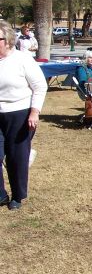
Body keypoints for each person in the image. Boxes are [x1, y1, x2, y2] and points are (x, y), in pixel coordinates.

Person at [0, 20, 47, 210]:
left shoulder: (22, 59)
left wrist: (34, 112)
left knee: (16, 156)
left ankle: (17, 196)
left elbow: (40, 86)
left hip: (19, 114)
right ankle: (1, 195)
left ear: (8, 40)